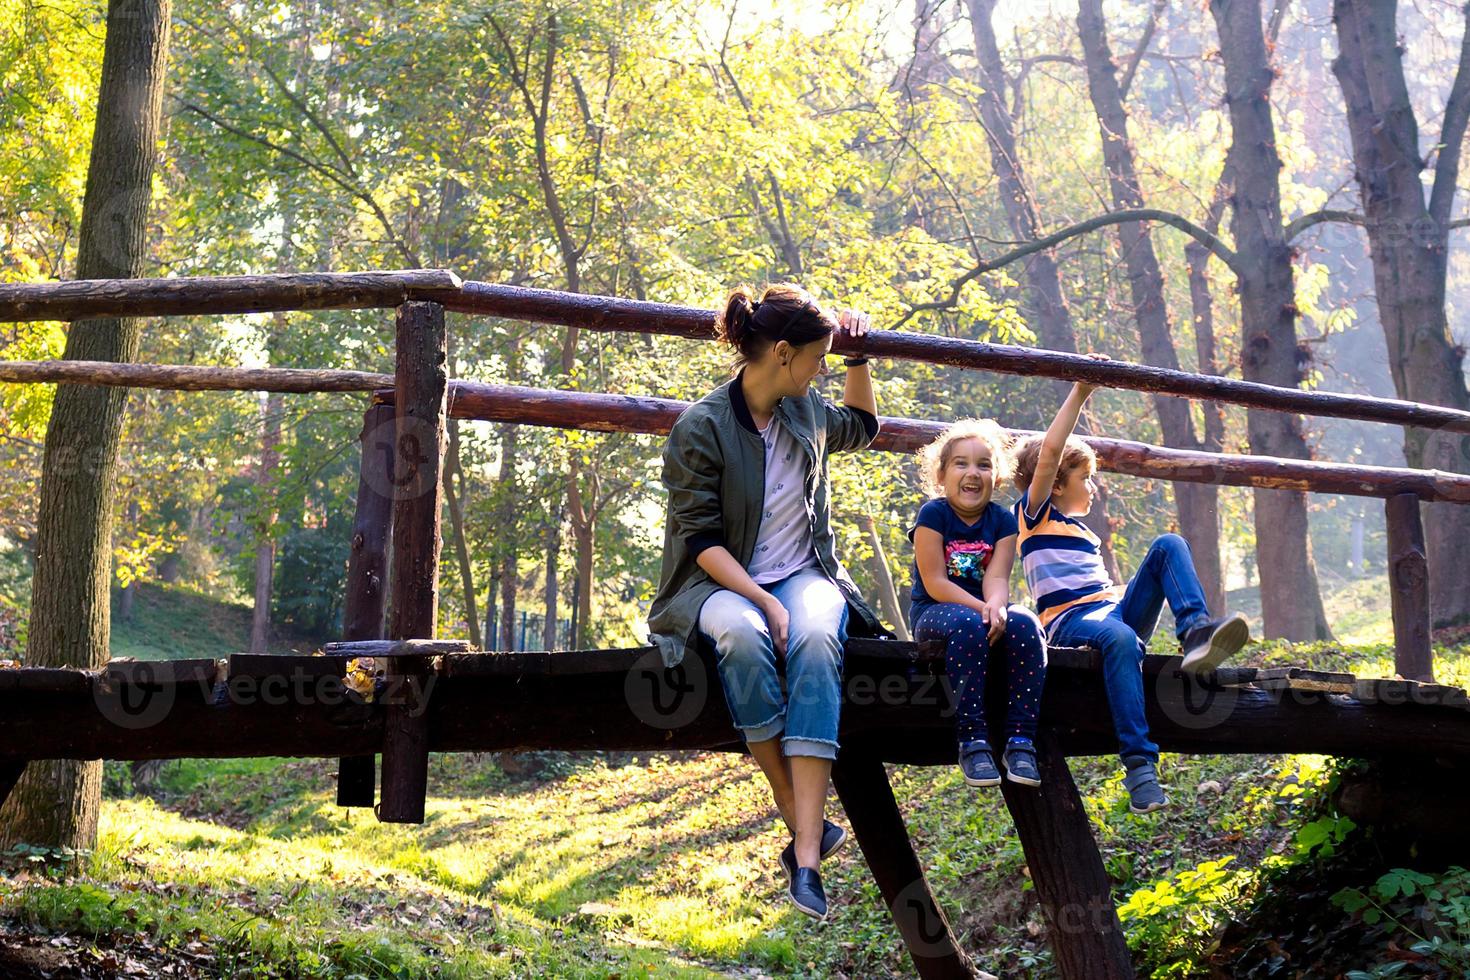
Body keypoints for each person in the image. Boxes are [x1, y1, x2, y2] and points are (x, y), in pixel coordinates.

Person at [647, 282, 886, 921]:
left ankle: (805, 852)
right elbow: (698, 540)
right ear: (782, 353)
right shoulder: (701, 426)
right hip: (715, 583)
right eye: (819, 358)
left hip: (806, 573)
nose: (823, 370)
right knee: (745, 635)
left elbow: (862, 427)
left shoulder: (805, 411)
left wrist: (860, 356)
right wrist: (764, 602)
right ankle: (803, 821)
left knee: (815, 638)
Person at [1012, 378, 1250, 814]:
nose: (1094, 486)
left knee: (1168, 545)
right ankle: (1139, 768)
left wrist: (1129, 596)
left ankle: (1196, 633)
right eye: (1086, 477)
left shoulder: (1082, 533)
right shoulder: (1034, 516)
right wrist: (1081, 392)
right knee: (1119, 637)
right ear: (1056, 486)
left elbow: (1106, 596)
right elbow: (1049, 455)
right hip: (1069, 625)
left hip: (1111, 614)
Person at [908, 420, 1046, 789]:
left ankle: (1021, 740)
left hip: (984, 609)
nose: (973, 473)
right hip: (936, 611)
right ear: (941, 475)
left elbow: (997, 578)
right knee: (969, 624)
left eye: (984, 465)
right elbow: (935, 582)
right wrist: (981, 608)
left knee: (1027, 623)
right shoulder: (933, 515)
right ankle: (973, 740)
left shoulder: (1002, 521)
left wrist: (997, 606)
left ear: (996, 477)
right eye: (961, 463)